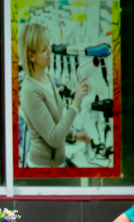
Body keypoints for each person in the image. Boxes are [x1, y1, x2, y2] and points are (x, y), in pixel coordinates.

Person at [17, 22, 91, 168]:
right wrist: (75, 103)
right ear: (31, 56)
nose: (50, 51)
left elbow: (53, 125)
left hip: (58, 164)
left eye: (48, 45)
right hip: (42, 168)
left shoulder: (48, 78)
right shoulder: (29, 91)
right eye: (44, 49)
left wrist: (75, 135)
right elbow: (54, 137)